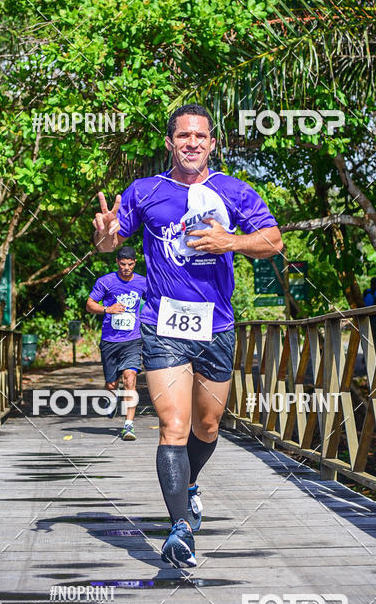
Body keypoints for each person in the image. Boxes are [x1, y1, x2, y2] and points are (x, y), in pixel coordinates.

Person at [92, 103, 283, 567]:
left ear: (212, 143)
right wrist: (104, 237)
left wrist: (231, 241)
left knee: (207, 426)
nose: (192, 143)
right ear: (170, 143)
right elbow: (112, 241)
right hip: (163, 325)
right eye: (183, 136)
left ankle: (189, 484)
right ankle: (179, 530)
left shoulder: (234, 191)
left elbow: (274, 241)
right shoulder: (145, 191)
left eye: (200, 136)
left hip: (215, 325)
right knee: (172, 426)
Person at [86, 247, 147, 440]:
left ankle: (128, 425)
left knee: (130, 378)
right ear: (117, 262)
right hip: (110, 340)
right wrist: (107, 309)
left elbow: (154, 302)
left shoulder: (142, 282)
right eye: (123, 264)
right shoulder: (106, 282)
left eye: (130, 264)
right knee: (112, 384)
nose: (127, 268)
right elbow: (89, 305)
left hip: (133, 339)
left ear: (135, 263)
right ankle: (113, 396)